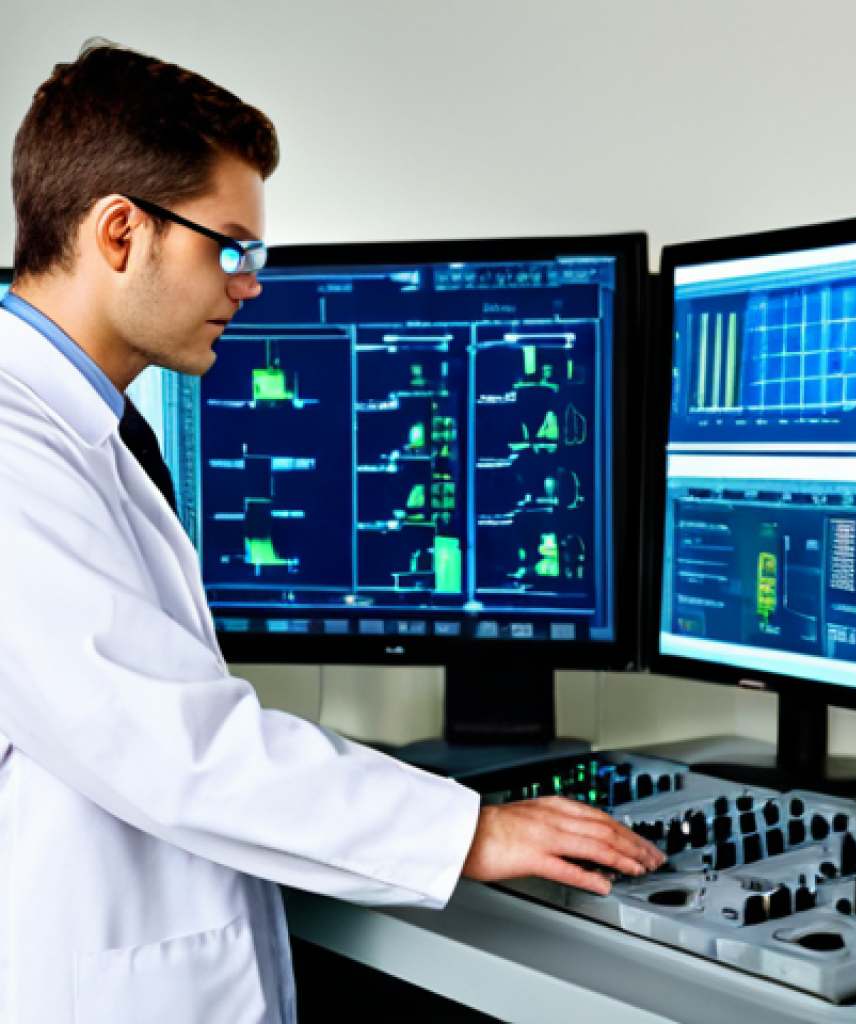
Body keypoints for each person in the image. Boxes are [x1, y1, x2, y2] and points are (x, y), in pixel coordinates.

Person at [0, 43, 663, 1024]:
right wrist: (468, 832)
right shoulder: (15, 451)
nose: (249, 284)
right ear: (119, 232)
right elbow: (171, 746)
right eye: (229, 247)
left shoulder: (83, 428)